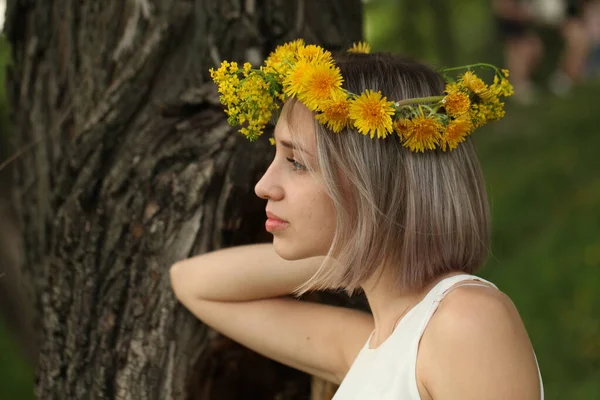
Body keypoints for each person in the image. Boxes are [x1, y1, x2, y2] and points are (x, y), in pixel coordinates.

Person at [170, 40, 544, 399]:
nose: (264, 186)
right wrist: (360, 255)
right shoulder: (374, 346)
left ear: (376, 180)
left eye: (296, 162)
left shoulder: (465, 321)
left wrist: (373, 248)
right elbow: (192, 282)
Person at [493, 0, 544, 104]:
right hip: (509, 25)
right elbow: (501, 8)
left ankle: (523, 82)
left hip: (520, 24)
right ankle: (518, 86)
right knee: (518, 52)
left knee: (534, 48)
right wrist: (522, 13)